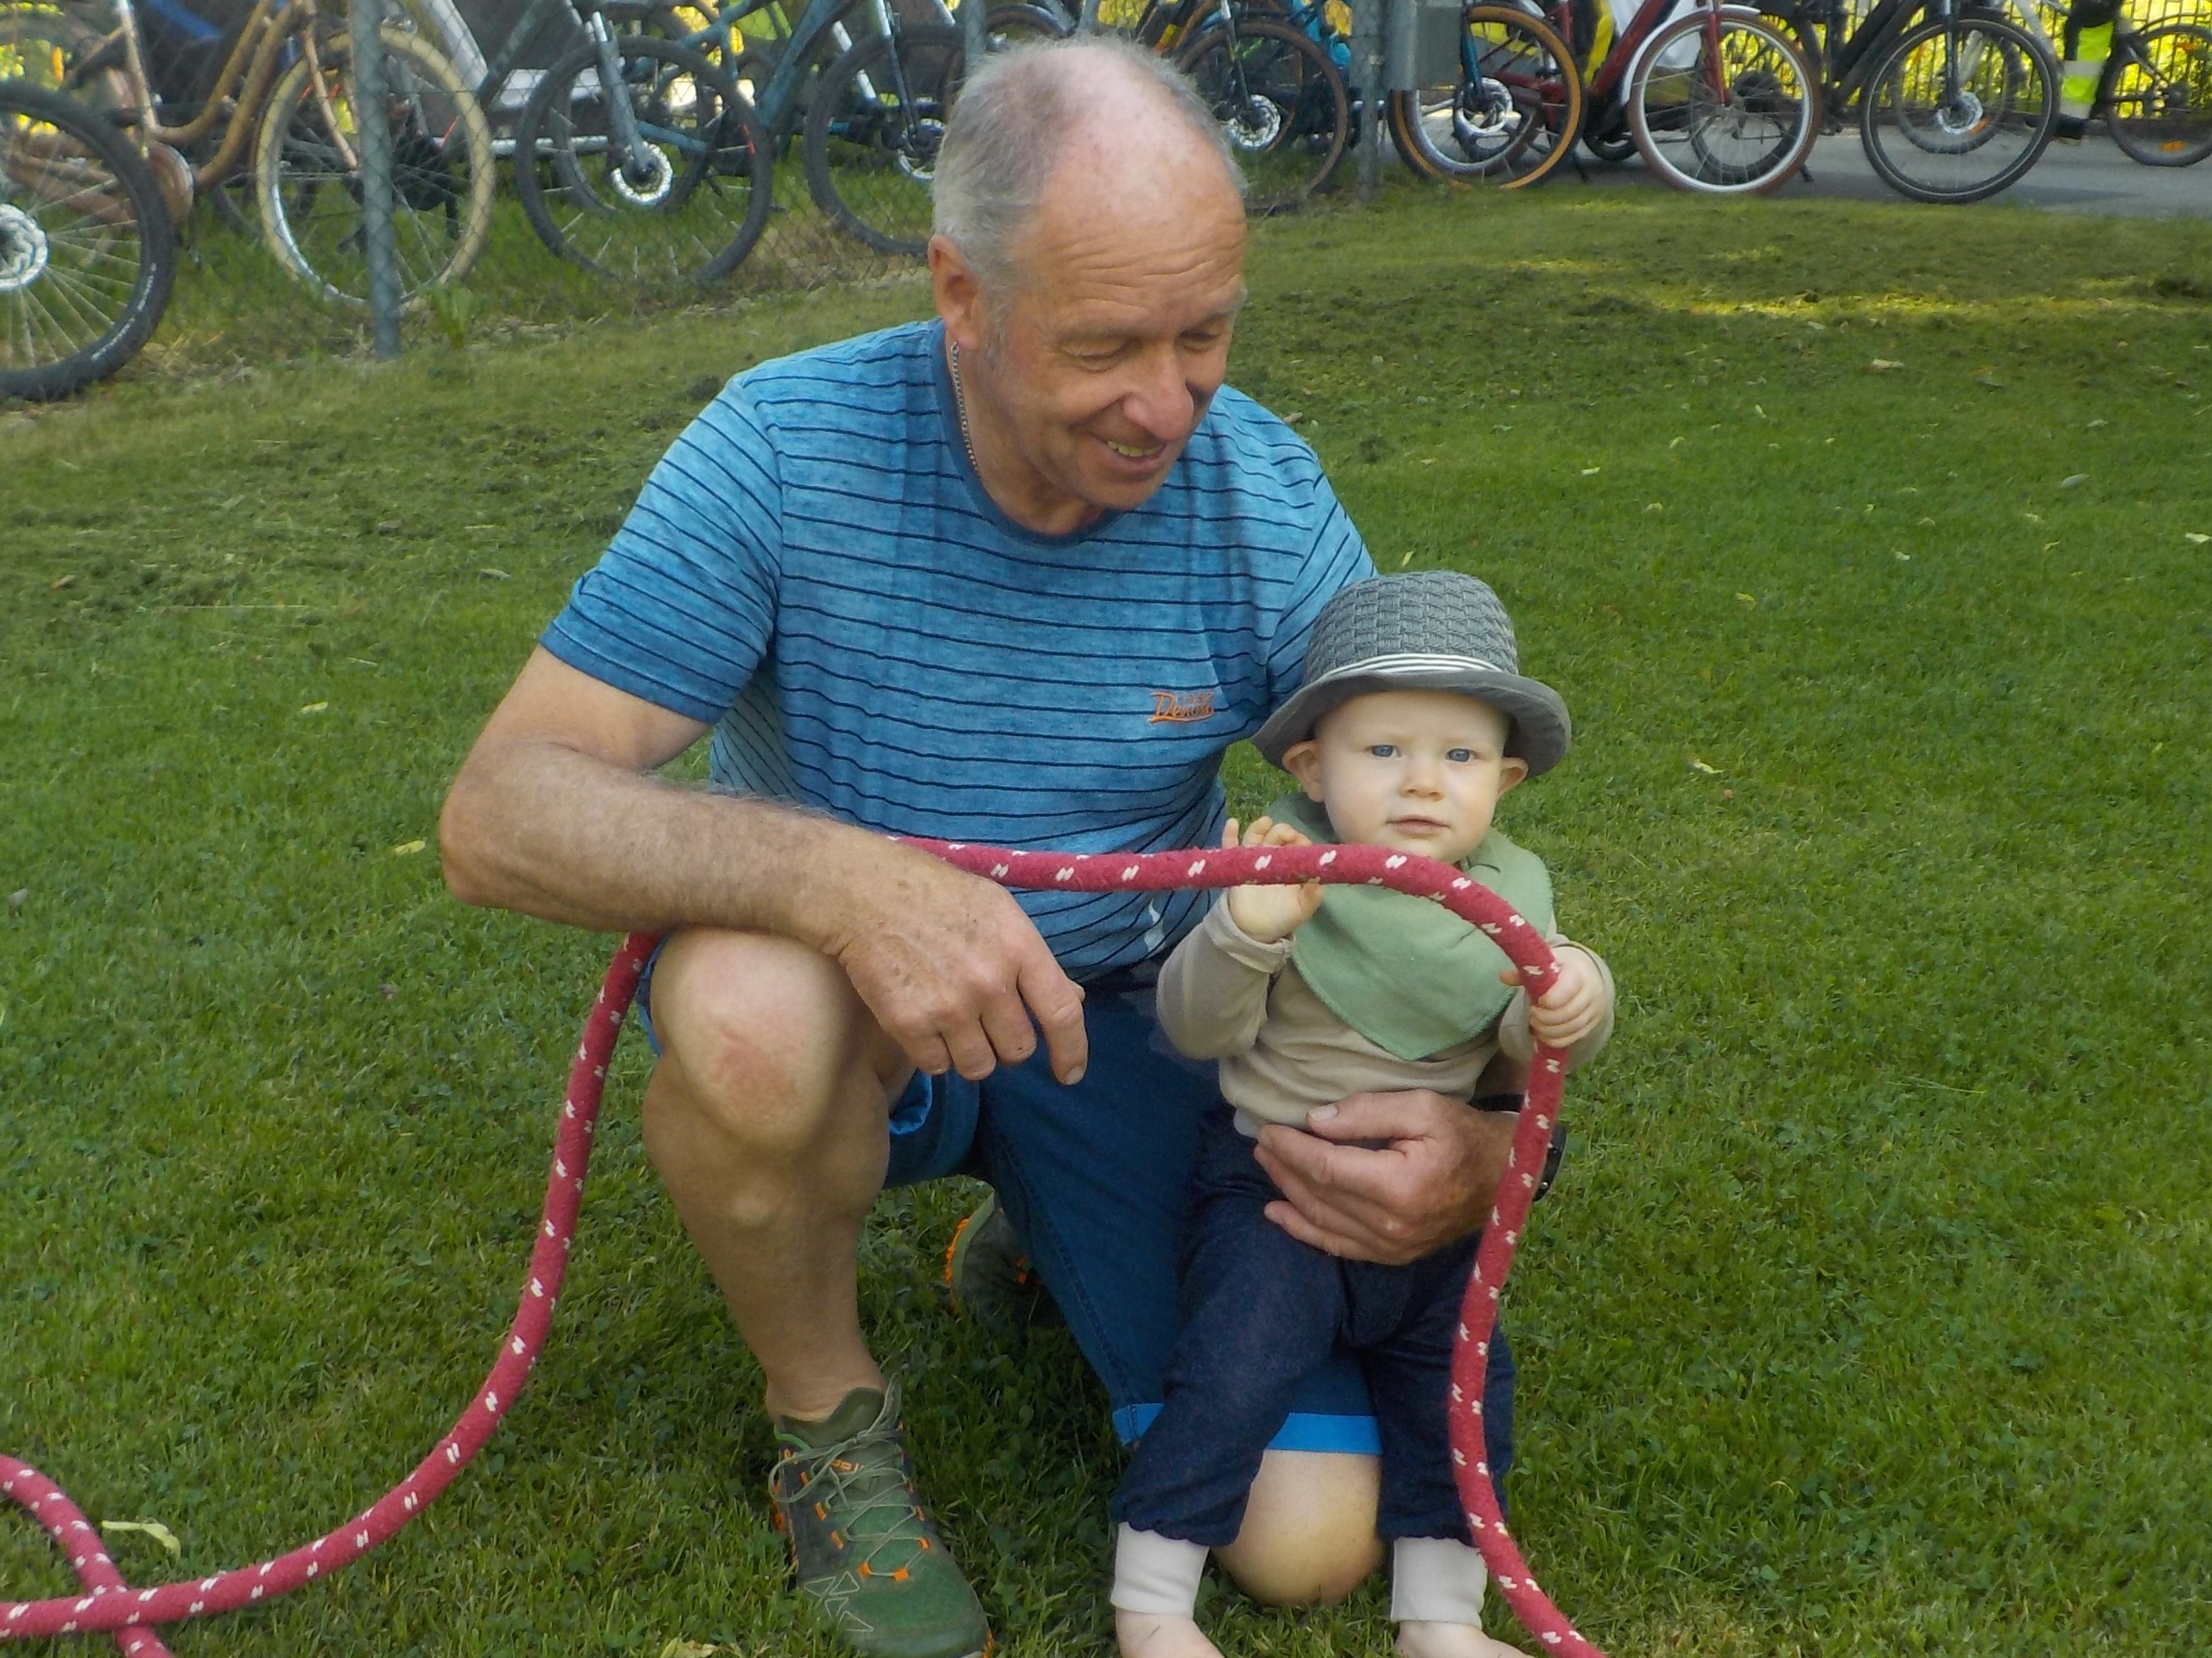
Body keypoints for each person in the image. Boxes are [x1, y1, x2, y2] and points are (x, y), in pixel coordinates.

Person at [438, 36, 1527, 1658]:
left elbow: (1423, 842)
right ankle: (828, 1425)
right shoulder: (783, 448)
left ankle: (1040, 1231)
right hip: (857, 1013)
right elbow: (501, 810)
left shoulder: (1258, 492)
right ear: (961, 292)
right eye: (1105, 346)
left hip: (1134, 1017)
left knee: (1303, 1549)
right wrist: (844, 881)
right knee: (742, 1011)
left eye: (1206, 332)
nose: (1166, 404)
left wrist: (1495, 1147)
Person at [1109, 573, 1616, 1658]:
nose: (1423, 780)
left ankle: (1439, 1616)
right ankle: (1151, 1595)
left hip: (1435, 1216)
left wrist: (1575, 995)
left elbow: (1526, 1045)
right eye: (1382, 750)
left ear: (1505, 779)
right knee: (1232, 1369)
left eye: (1459, 755)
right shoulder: (1283, 874)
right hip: (1273, 1189)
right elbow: (1196, 1026)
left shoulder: (1508, 897)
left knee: (1463, 1394)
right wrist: (1245, 932)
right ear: (1311, 768)